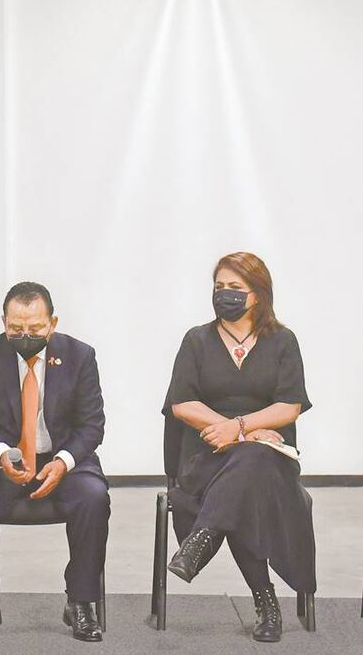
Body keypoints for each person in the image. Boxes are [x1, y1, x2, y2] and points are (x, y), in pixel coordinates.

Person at [163, 252, 314, 643]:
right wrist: (236, 432)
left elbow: (290, 405)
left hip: (270, 457)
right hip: (206, 454)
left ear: (259, 295)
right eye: (219, 288)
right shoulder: (196, 339)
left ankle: (203, 538)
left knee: (253, 466)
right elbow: (182, 404)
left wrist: (242, 429)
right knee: (248, 473)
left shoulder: (282, 340)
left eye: (235, 288)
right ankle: (266, 603)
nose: (224, 295)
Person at [0, 281, 109, 642]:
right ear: (3, 322)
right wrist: (0, 454)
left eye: (35, 329)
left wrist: (63, 461)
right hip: (3, 460)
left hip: (62, 460)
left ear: (52, 323)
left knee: (93, 496)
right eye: (16, 329)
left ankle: (82, 602)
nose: (25, 336)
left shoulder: (80, 356)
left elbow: (92, 425)